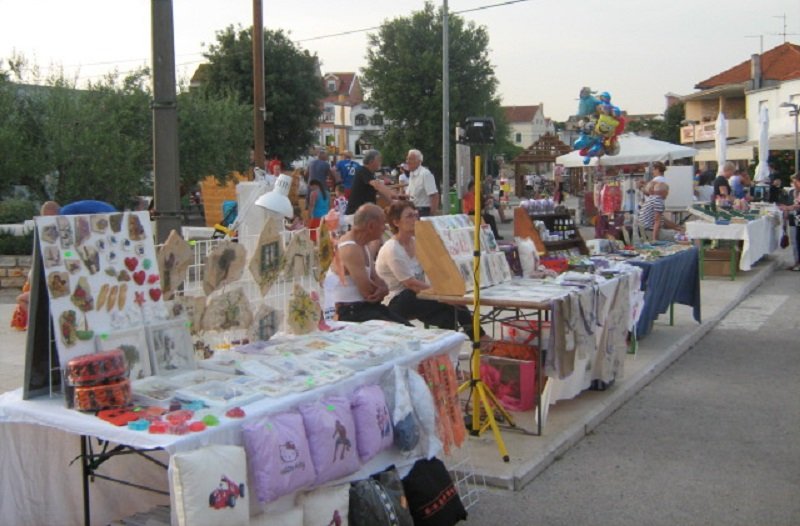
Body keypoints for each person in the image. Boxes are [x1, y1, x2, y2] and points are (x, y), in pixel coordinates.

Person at [376, 201, 484, 335]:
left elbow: (432, 267)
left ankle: (452, 346)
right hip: (397, 300)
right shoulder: (392, 249)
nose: (415, 220)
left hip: (417, 296)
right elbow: (410, 283)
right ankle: (481, 338)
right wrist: (441, 293)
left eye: (416, 215)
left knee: (448, 314)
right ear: (397, 222)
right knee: (448, 300)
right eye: (409, 216)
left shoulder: (416, 242)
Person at [327, 204, 410, 324]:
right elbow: (368, 293)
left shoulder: (362, 244)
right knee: (403, 331)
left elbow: (378, 280)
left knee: (407, 328)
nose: (385, 228)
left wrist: (383, 289)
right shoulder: (351, 248)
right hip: (350, 311)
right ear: (371, 226)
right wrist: (383, 290)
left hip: (363, 308)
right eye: (383, 224)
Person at [345, 149, 399, 215]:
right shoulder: (363, 171)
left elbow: (380, 191)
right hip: (356, 214)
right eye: (379, 160)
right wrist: (395, 195)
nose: (381, 162)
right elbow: (378, 186)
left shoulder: (370, 174)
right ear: (371, 161)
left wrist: (393, 202)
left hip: (363, 214)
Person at [405, 149, 439, 216]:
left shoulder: (425, 174)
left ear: (419, 161)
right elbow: (412, 195)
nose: (407, 162)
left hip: (423, 211)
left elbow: (434, 195)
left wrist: (431, 215)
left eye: (410, 159)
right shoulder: (412, 175)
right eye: (407, 159)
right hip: (413, 210)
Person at [779, 174, 800, 271]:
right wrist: (785, 212)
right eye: (793, 181)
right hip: (793, 218)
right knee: (794, 241)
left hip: (798, 216)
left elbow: (797, 206)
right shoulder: (792, 192)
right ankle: (796, 261)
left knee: (798, 239)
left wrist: (787, 208)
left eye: (797, 181)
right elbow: (788, 203)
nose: (794, 184)